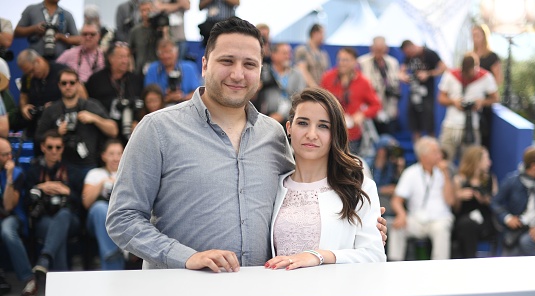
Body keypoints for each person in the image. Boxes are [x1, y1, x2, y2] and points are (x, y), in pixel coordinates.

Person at [106, 17, 386, 271]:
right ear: (204, 65)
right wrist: (186, 256)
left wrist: (360, 223)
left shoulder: (273, 134)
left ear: (261, 70)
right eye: (227, 61)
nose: (238, 74)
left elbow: (300, 196)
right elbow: (123, 218)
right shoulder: (157, 129)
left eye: (249, 64)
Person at [266, 88, 385, 269]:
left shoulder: (359, 188)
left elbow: (374, 255)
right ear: (289, 128)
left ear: (334, 134)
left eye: (323, 126)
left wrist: (318, 256)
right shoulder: (272, 186)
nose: (311, 134)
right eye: (303, 123)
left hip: (334, 293)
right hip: (280, 293)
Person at [35, 68, 118, 171]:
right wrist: (56, 133)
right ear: (59, 85)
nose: (68, 86)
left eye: (72, 83)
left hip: (88, 164)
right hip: (60, 166)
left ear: (78, 84)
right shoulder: (51, 110)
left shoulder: (91, 106)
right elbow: (38, 138)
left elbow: (113, 131)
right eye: (64, 83)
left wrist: (94, 118)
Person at [25, 130, 84, 274]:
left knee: (63, 216)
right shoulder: (33, 172)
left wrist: (67, 192)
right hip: (44, 218)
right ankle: (61, 282)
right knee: (57, 232)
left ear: (63, 148)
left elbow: (83, 205)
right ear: (43, 147)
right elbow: (25, 202)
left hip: (70, 219)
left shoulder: (72, 171)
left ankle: (45, 258)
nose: (54, 151)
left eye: (58, 147)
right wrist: (39, 188)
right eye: (50, 147)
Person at [389, 136, 455, 261]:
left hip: (439, 218)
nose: (440, 155)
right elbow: (396, 200)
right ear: (424, 156)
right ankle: (394, 263)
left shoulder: (445, 172)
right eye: (435, 152)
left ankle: (440, 267)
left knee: (441, 229)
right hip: (416, 218)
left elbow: (450, 201)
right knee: (397, 227)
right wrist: (401, 214)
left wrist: (446, 176)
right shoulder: (411, 173)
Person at [492, 146, 535, 256]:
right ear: (534, 166)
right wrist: (507, 218)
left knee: (526, 242)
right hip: (516, 229)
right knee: (510, 256)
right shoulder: (512, 180)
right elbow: (495, 202)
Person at [437, 52, 499, 162]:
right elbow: (440, 98)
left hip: (472, 126)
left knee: (471, 163)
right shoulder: (451, 75)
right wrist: (454, 102)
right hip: (450, 125)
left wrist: (481, 102)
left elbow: (495, 98)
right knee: (444, 160)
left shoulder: (485, 77)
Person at [321, 47, 381, 155]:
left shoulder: (363, 82)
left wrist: (362, 115)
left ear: (354, 62)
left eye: (346, 60)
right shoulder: (328, 78)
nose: (341, 63)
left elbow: (376, 105)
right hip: (329, 132)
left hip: (352, 135)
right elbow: (320, 102)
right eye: (339, 60)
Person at [0, 138, 37, 296]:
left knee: (7, 231)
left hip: (13, 217)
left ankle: (29, 278)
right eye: (4, 155)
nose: (10, 158)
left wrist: (8, 179)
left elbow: (9, 206)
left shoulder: (17, 173)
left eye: (11, 153)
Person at [86, 42, 145, 143]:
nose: (125, 61)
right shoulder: (96, 80)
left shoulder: (136, 80)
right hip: (104, 130)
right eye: (121, 57)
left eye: (127, 57)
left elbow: (142, 104)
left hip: (131, 130)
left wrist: (138, 122)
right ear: (110, 58)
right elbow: (90, 104)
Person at [82, 140, 125, 270]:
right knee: (100, 208)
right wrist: (102, 184)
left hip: (122, 217)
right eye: (111, 154)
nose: (116, 158)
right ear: (104, 156)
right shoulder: (95, 174)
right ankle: (112, 254)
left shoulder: (130, 174)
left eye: (119, 153)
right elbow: (86, 202)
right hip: (97, 219)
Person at [451, 145, 498, 258]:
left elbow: (496, 203)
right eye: (486, 159)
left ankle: (469, 259)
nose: (489, 163)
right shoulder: (459, 180)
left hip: (485, 220)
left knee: (468, 226)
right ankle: (469, 258)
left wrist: (485, 199)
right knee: (466, 225)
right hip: (464, 220)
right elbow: (455, 209)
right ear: (477, 161)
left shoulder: (490, 179)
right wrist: (459, 196)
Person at [17, 49, 71, 139]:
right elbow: (24, 95)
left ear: (38, 60)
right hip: (37, 126)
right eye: (28, 73)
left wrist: (56, 106)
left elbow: (77, 95)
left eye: (32, 71)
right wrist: (24, 107)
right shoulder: (27, 78)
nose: (31, 75)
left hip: (60, 123)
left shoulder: (62, 72)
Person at [399, 40, 446, 142]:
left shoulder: (429, 53)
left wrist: (428, 74)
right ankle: (418, 153)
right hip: (414, 96)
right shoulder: (408, 56)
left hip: (427, 97)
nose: (409, 55)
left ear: (413, 46)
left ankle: (431, 151)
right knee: (415, 128)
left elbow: (443, 68)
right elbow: (401, 71)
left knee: (429, 126)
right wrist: (403, 77)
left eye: (409, 52)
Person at [357, 36, 401, 135]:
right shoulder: (362, 62)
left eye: (382, 50)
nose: (379, 53)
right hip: (369, 108)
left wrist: (395, 106)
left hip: (388, 107)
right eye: (377, 50)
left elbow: (396, 86)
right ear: (371, 48)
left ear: (387, 49)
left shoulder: (393, 63)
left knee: (388, 138)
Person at [254, 42, 306, 124]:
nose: (288, 56)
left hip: (289, 119)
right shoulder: (263, 72)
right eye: (284, 53)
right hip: (263, 117)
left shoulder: (297, 75)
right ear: (274, 55)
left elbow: (300, 99)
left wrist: (282, 115)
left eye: (290, 53)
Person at [14, 0, 80, 60]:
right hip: (36, 59)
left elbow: (78, 40)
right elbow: (17, 31)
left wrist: (61, 37)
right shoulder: (32, 10)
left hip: (59, 60)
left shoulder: (66, 14)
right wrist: (34, 29)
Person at [472, 24, 503, 150]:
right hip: (472, 100)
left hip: (485, 102)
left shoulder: (492, 56)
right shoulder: (470, 55)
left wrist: (486, 89)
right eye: (473, 35)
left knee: (484, 136)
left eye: (477, 35)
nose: (474, 38)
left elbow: (498, 79)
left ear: (484, 36)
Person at [144, 38, 200, 105]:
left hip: (186, 107)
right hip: (160, 109)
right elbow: (148, 96)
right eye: (162, 52)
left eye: (169, 52)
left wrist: (182, 97)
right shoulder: (152, 69)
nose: (166, 56)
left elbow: (198, 93)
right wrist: (165, 99)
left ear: (176, 52)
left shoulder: (189, 68)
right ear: (157, 54)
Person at [129, 0, 160, 75]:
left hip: (157, 67)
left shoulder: (159, 29)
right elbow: (129, 50)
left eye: (148, 10)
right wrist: (131, 66)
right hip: (139, 68)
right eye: (143, 10)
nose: (146, 13)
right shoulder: (135, 31)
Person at [294, 24, 330, 88]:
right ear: (314, 33)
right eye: (322, 34)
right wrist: (314, 87)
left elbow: (326, 72)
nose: (323, 37)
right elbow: (302, 70)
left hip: (321, 91)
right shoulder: (302, 50)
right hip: (308, 90)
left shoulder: (323, 54)